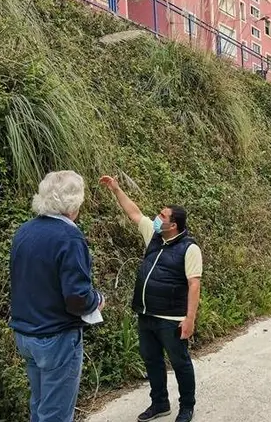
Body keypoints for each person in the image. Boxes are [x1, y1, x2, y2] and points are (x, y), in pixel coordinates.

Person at [99, 175, 202, 422]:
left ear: (174, 224)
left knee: (180, 363)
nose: (157, 219)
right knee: (152, 360)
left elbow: (194, 284)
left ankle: (187, 407)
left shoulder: (189, 248)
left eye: (162, 216)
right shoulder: (154, 237)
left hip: (172, 319)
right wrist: (116, 189)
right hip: (146, 315)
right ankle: (160, 404)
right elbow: (134, 214)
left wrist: (190, 319)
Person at [9, 170, 105, 422]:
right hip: (56, 337)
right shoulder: (69, 236)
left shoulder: (24, 231)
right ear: (74, 203)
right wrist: (97, 300)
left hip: (26, 333)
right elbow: (77, 299)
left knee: (40, 406)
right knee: (56, 415)